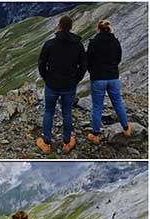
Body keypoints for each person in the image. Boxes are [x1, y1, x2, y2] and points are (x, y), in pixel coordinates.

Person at [37, 15, 87, 154]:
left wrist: (46, 77)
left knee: (48, 112)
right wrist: (76, 79)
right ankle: (66, 143)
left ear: (59, 26)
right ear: (71, 27)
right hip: (69, 85)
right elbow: (83, 65)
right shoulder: (78, 45)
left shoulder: (50, 44)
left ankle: (46, 143)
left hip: (52, 84)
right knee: (67, 113)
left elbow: (41, 63)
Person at [87, 20, 132, 145]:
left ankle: (95, 135)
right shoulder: (115, 42)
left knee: (97, 107)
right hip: (113, 77)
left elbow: (88, 60)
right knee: (118, 103)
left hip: (98, 78)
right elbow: (118, 58)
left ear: (99, 29)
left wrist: (93, 71)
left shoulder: (94, 42)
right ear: (109, 29)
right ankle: (126, 129)